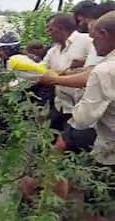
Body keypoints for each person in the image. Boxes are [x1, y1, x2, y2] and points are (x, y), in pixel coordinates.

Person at [71, 11, 115, 219]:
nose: (92, 42)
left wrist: (81, 97)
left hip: (110, 154)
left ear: (105, 33)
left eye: (94, 36)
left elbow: (82, 120)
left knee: (99, 209)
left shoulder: (105, 70)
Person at [43, 14, 92, 135]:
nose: (48, 32)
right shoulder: (53, 51)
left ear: (60, 28)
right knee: (50, 139)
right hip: (61, 105)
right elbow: (40, 70)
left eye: (50, 29)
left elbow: (96, 70)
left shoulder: (87, 41)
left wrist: (83, 65)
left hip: (82, 108)